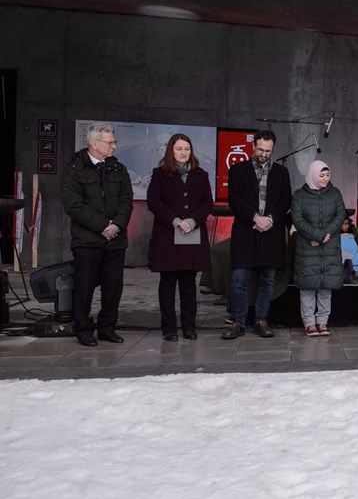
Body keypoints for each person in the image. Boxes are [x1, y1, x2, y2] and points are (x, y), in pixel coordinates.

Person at [60, 122, 134, 346]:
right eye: (110, 142)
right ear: (94, 143)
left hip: (116, 240)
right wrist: (103, 225)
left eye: (113, 142)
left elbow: (126, 201)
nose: (114, 146)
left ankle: (107, 328)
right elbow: (73, 205)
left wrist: (117, 225)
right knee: (84, 288)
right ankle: (83, 330)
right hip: (87, 240)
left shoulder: (118, 169)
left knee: (113, 288)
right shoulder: (74, 168)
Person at [223, 129, 292, 339]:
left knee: (267, 280)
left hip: (271, 233)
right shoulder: (237, 170)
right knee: (238, 279)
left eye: (268, 150)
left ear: (273, 149)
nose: (263, 154)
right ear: (253, 146)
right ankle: (238, 322)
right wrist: (255, 217)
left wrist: (269, 219)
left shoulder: (281, 172)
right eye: (260, 149)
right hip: (246, 231)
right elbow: (235, 200)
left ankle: (261, 320)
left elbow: (285, 200)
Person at [147, 133, 213, 342]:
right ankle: (169, 328)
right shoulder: (159, 174)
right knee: (167, 284)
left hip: (192, 234)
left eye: (187, 148)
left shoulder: (201, 175)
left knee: (188, 284)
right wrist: (175, 220)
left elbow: (207, 203)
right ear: (171, 151)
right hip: (168, 235)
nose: (183, 152)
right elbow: (154, 201)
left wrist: (193, 221)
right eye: (179, 148)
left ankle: (189, 327)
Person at [291, 160, 346, 337]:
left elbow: (340, 215)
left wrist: (325, 235)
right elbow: (298, 220)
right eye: (321, 175)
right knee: (307, 287)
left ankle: (322, 321)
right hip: (308, 247)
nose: (325, 179)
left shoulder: (335, 193)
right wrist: (316, 235)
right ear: (313, 175)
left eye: (327, 175)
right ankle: (309, 323)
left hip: (329, 246)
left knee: (325, 287)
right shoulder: (299, 195)